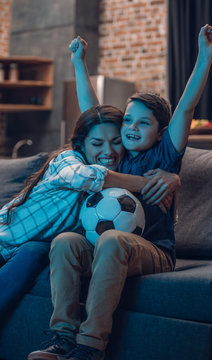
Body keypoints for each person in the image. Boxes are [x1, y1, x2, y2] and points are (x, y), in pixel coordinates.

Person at [28, 24, 212, 360]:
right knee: (65, 242)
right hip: (106, 249)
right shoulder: (114, 154)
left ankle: (90, 346)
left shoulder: (164, 156)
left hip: (154, 252)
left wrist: (205, 56)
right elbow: (94, 112)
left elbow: (187, 108)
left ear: (162, 132)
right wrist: (78, 63)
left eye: (143, 123)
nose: (131, 128)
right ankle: (62, 339)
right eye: (128, 121)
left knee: (112, 239)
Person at [0, 105, 177, 319]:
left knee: (36, 250)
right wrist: (145, 183)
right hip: (4, 239)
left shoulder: (118, 178)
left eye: (116, 142)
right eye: (97, 143)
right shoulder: (67, 160)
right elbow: (81, 177)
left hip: (25, 249)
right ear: (80, 145)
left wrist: (173, 179)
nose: (108, 151)